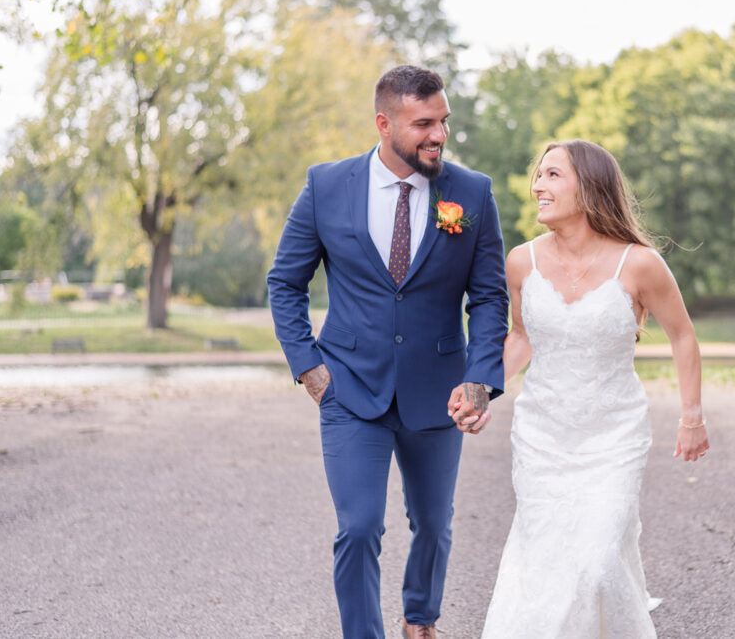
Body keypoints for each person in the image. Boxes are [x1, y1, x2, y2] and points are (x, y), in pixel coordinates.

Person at [266, 65, 507, 639]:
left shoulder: (471, 192)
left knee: (433, 523)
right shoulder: (327, 186)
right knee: (358, 527)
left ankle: (419, 619)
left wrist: (480, 378)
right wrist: (310, 369)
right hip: (348, 388)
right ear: (384, 123)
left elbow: (491, 296)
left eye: (443, 122)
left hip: (439, 390)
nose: (439, 135)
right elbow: (285, 283)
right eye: (423, 123)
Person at [452, 139, 709, 638]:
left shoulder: (639, 264)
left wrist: (692, 417)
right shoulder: (521, 262)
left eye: (552, 175)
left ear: (589, 188)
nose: (537, 186)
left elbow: (683, 334)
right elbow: (522, 338)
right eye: (538, 175)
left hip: (613, 437)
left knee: (596, 564)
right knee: (543, 563)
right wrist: (479, 389)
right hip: (542, 437)